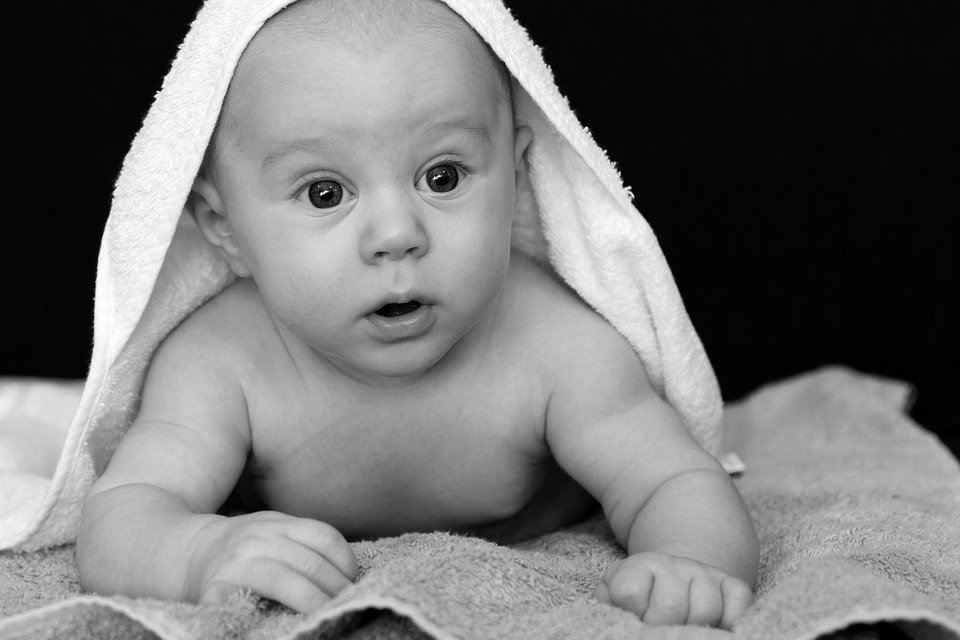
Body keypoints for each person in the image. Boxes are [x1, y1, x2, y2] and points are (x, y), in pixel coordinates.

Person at [76, 0, 759, 628]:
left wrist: (690, 560)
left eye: (443, 177)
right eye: (323, 192)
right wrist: (197, 552)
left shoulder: (555, 346)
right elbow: (124, 513)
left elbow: (672, 477)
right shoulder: (222, 362)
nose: (396, 233)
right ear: (224, 227)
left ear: (518, 176)